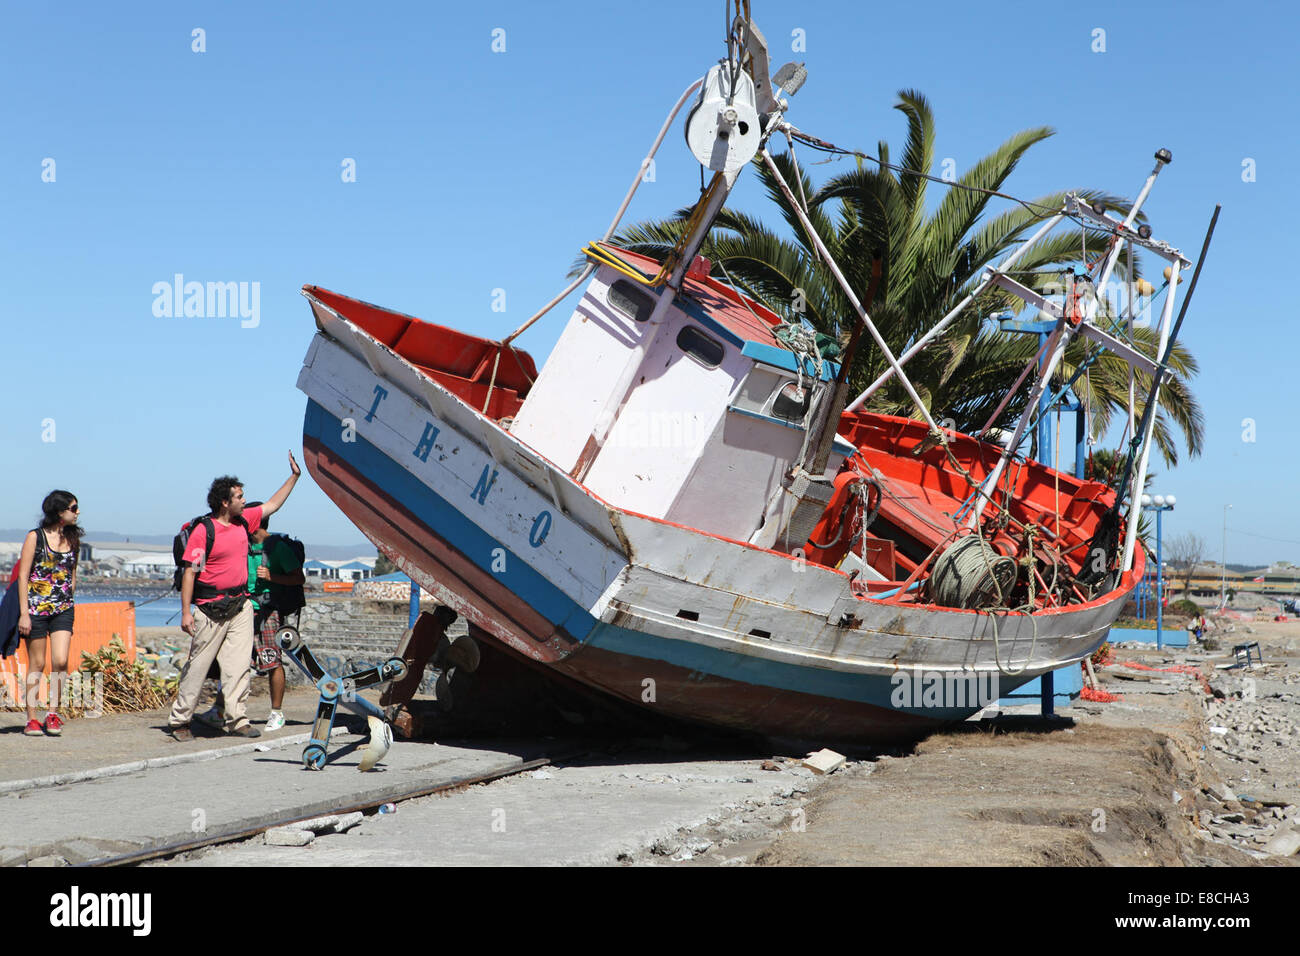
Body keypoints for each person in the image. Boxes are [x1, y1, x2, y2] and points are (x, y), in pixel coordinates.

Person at [168, 453, 300, 741]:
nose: (244, 500)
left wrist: (294, 477)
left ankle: (237, 719)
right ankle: (180, 720)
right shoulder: (205, 531)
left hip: (240, 605)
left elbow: (273, 504)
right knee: (199, 666)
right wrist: (186, 612)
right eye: (239, 497)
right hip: (209, 606)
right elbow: (190, 572)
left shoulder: (245, 522)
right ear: (225, 502)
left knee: (239, 666)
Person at [196, 508, 305, 732]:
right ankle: (219, 711)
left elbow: (299, 577)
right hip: (242, 609)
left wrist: (272, 577)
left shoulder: (278, 547)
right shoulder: (241, 544)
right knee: (232, 661)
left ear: (255, 522)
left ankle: (277, 713)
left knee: (272, 660)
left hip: (268, 611)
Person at [15, 491, 83, 737]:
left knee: (62, 660)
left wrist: (70, 596)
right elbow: (23, 575)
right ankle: (32, 718)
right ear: (59, 511)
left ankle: (53, 712)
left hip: (63, 609)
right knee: (38, 663)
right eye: (74, 508)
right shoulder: (36, 537)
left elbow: (73, 573)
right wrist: (24, 613)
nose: (77, 513)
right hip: (35, 610)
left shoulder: (74, 538)